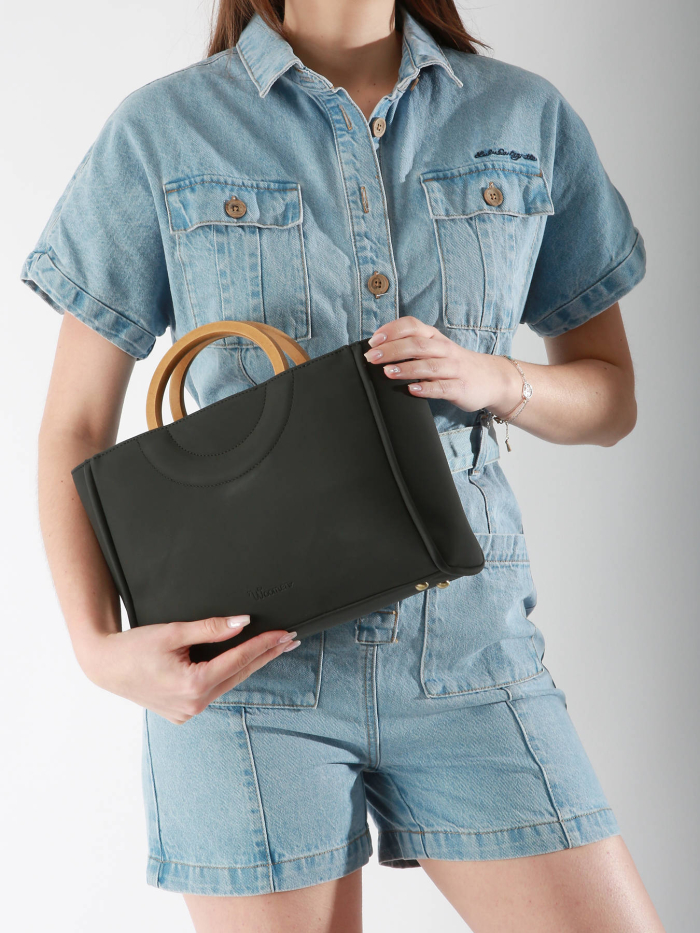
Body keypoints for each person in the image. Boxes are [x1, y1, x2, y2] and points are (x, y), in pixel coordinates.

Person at [21, 1, 665, 931]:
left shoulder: (522, 116)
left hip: (472, 660)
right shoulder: (163, 129)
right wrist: (95, 647)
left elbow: (610, 397)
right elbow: (75, 423)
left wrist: (495, 377)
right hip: (246, 675)